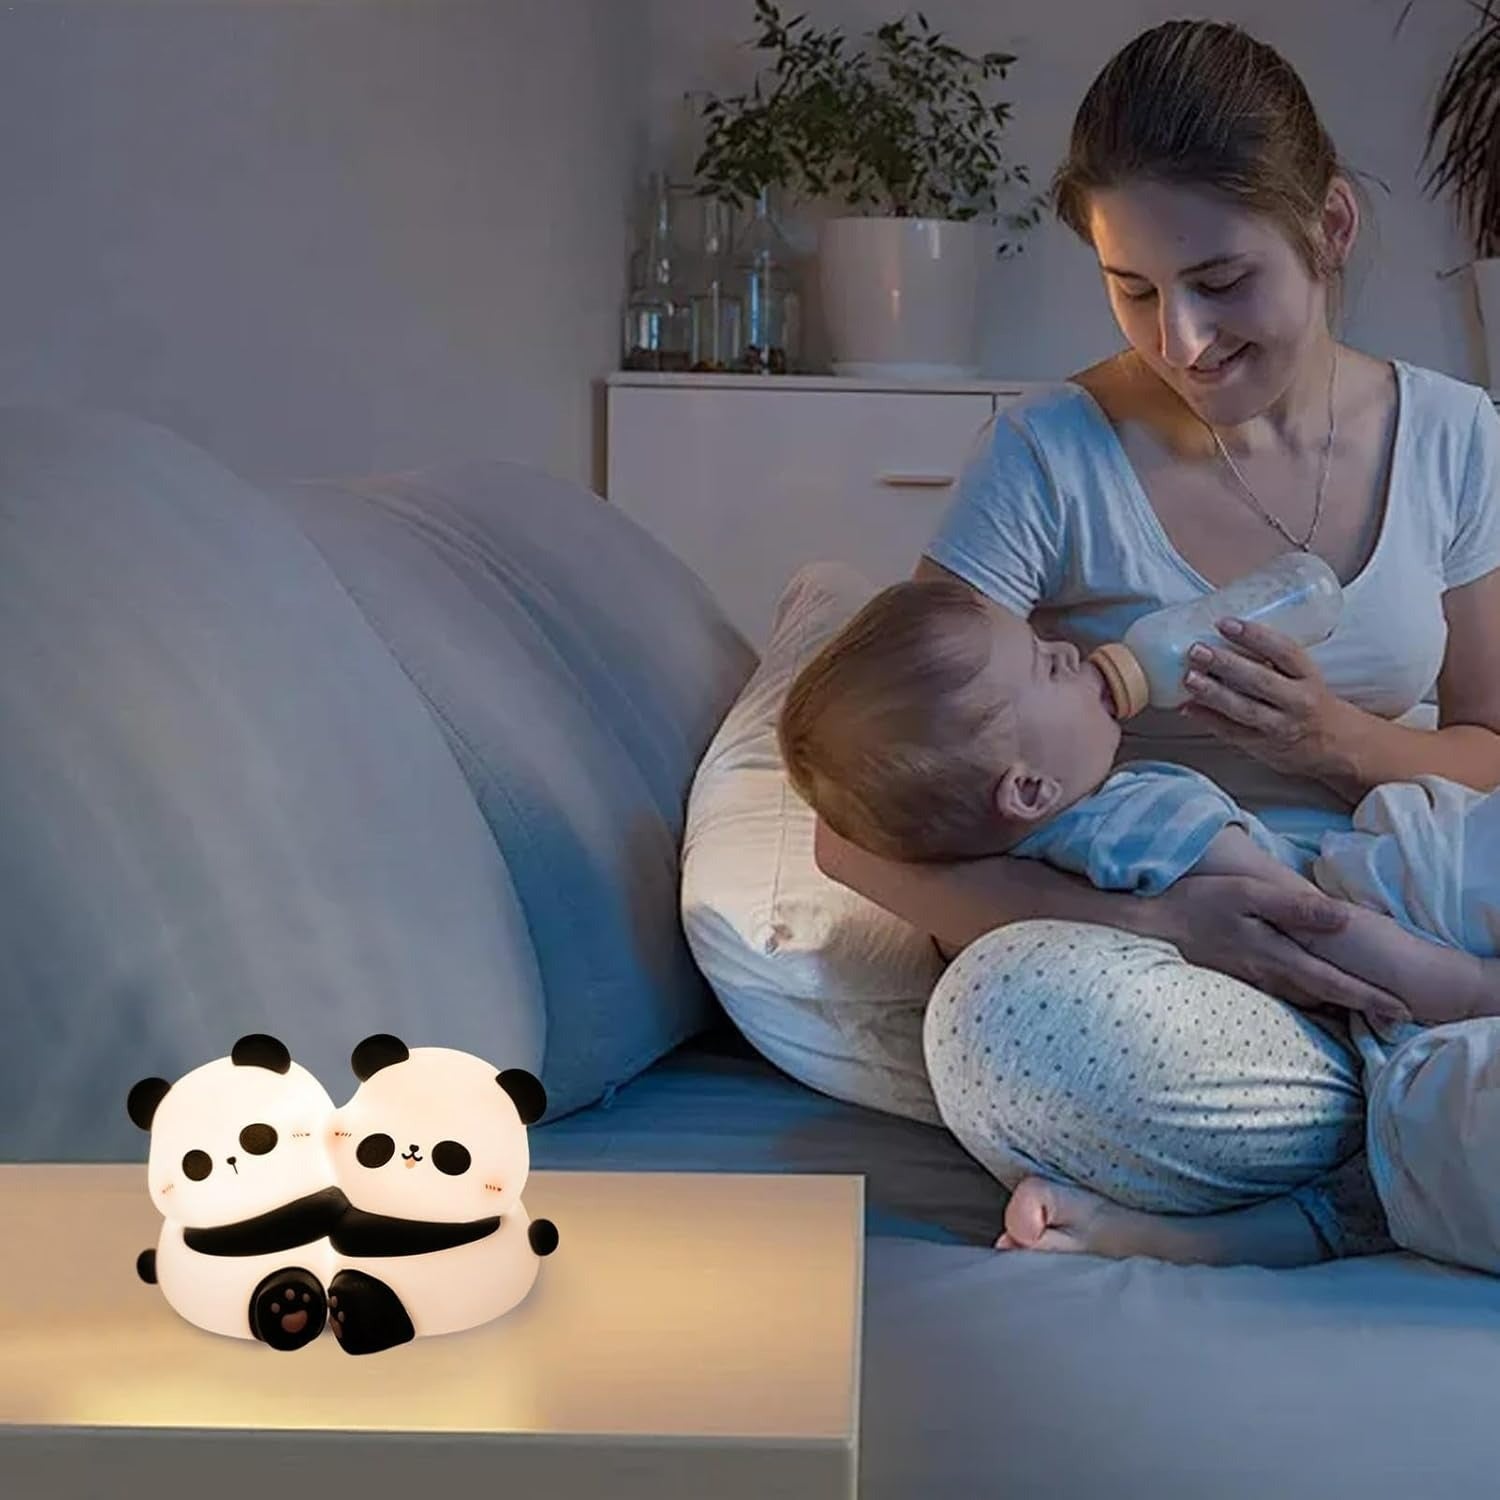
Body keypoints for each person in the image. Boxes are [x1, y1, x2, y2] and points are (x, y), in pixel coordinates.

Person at [812, 19, 1500, 1268]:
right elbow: (857, 825)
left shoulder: (1456, 439)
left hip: (1421, 893)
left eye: (1222, 281)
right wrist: (1168, 927)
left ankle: (1420, 1121)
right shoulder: (1045, 459)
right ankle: (1422, 1123)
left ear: (1329, 229)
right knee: (998, 1024)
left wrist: (1339, 743)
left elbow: (1496, 758)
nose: (1182, 340)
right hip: (1205, 987)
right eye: (1134, 289)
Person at [779, 574, 1500, 1026]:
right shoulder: (1135, 826)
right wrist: (1469, 994)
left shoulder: (1067, 846)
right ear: (1029, 789)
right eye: (1045, 667)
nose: (1067, 649)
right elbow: (1311, 921)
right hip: (1400, 893)